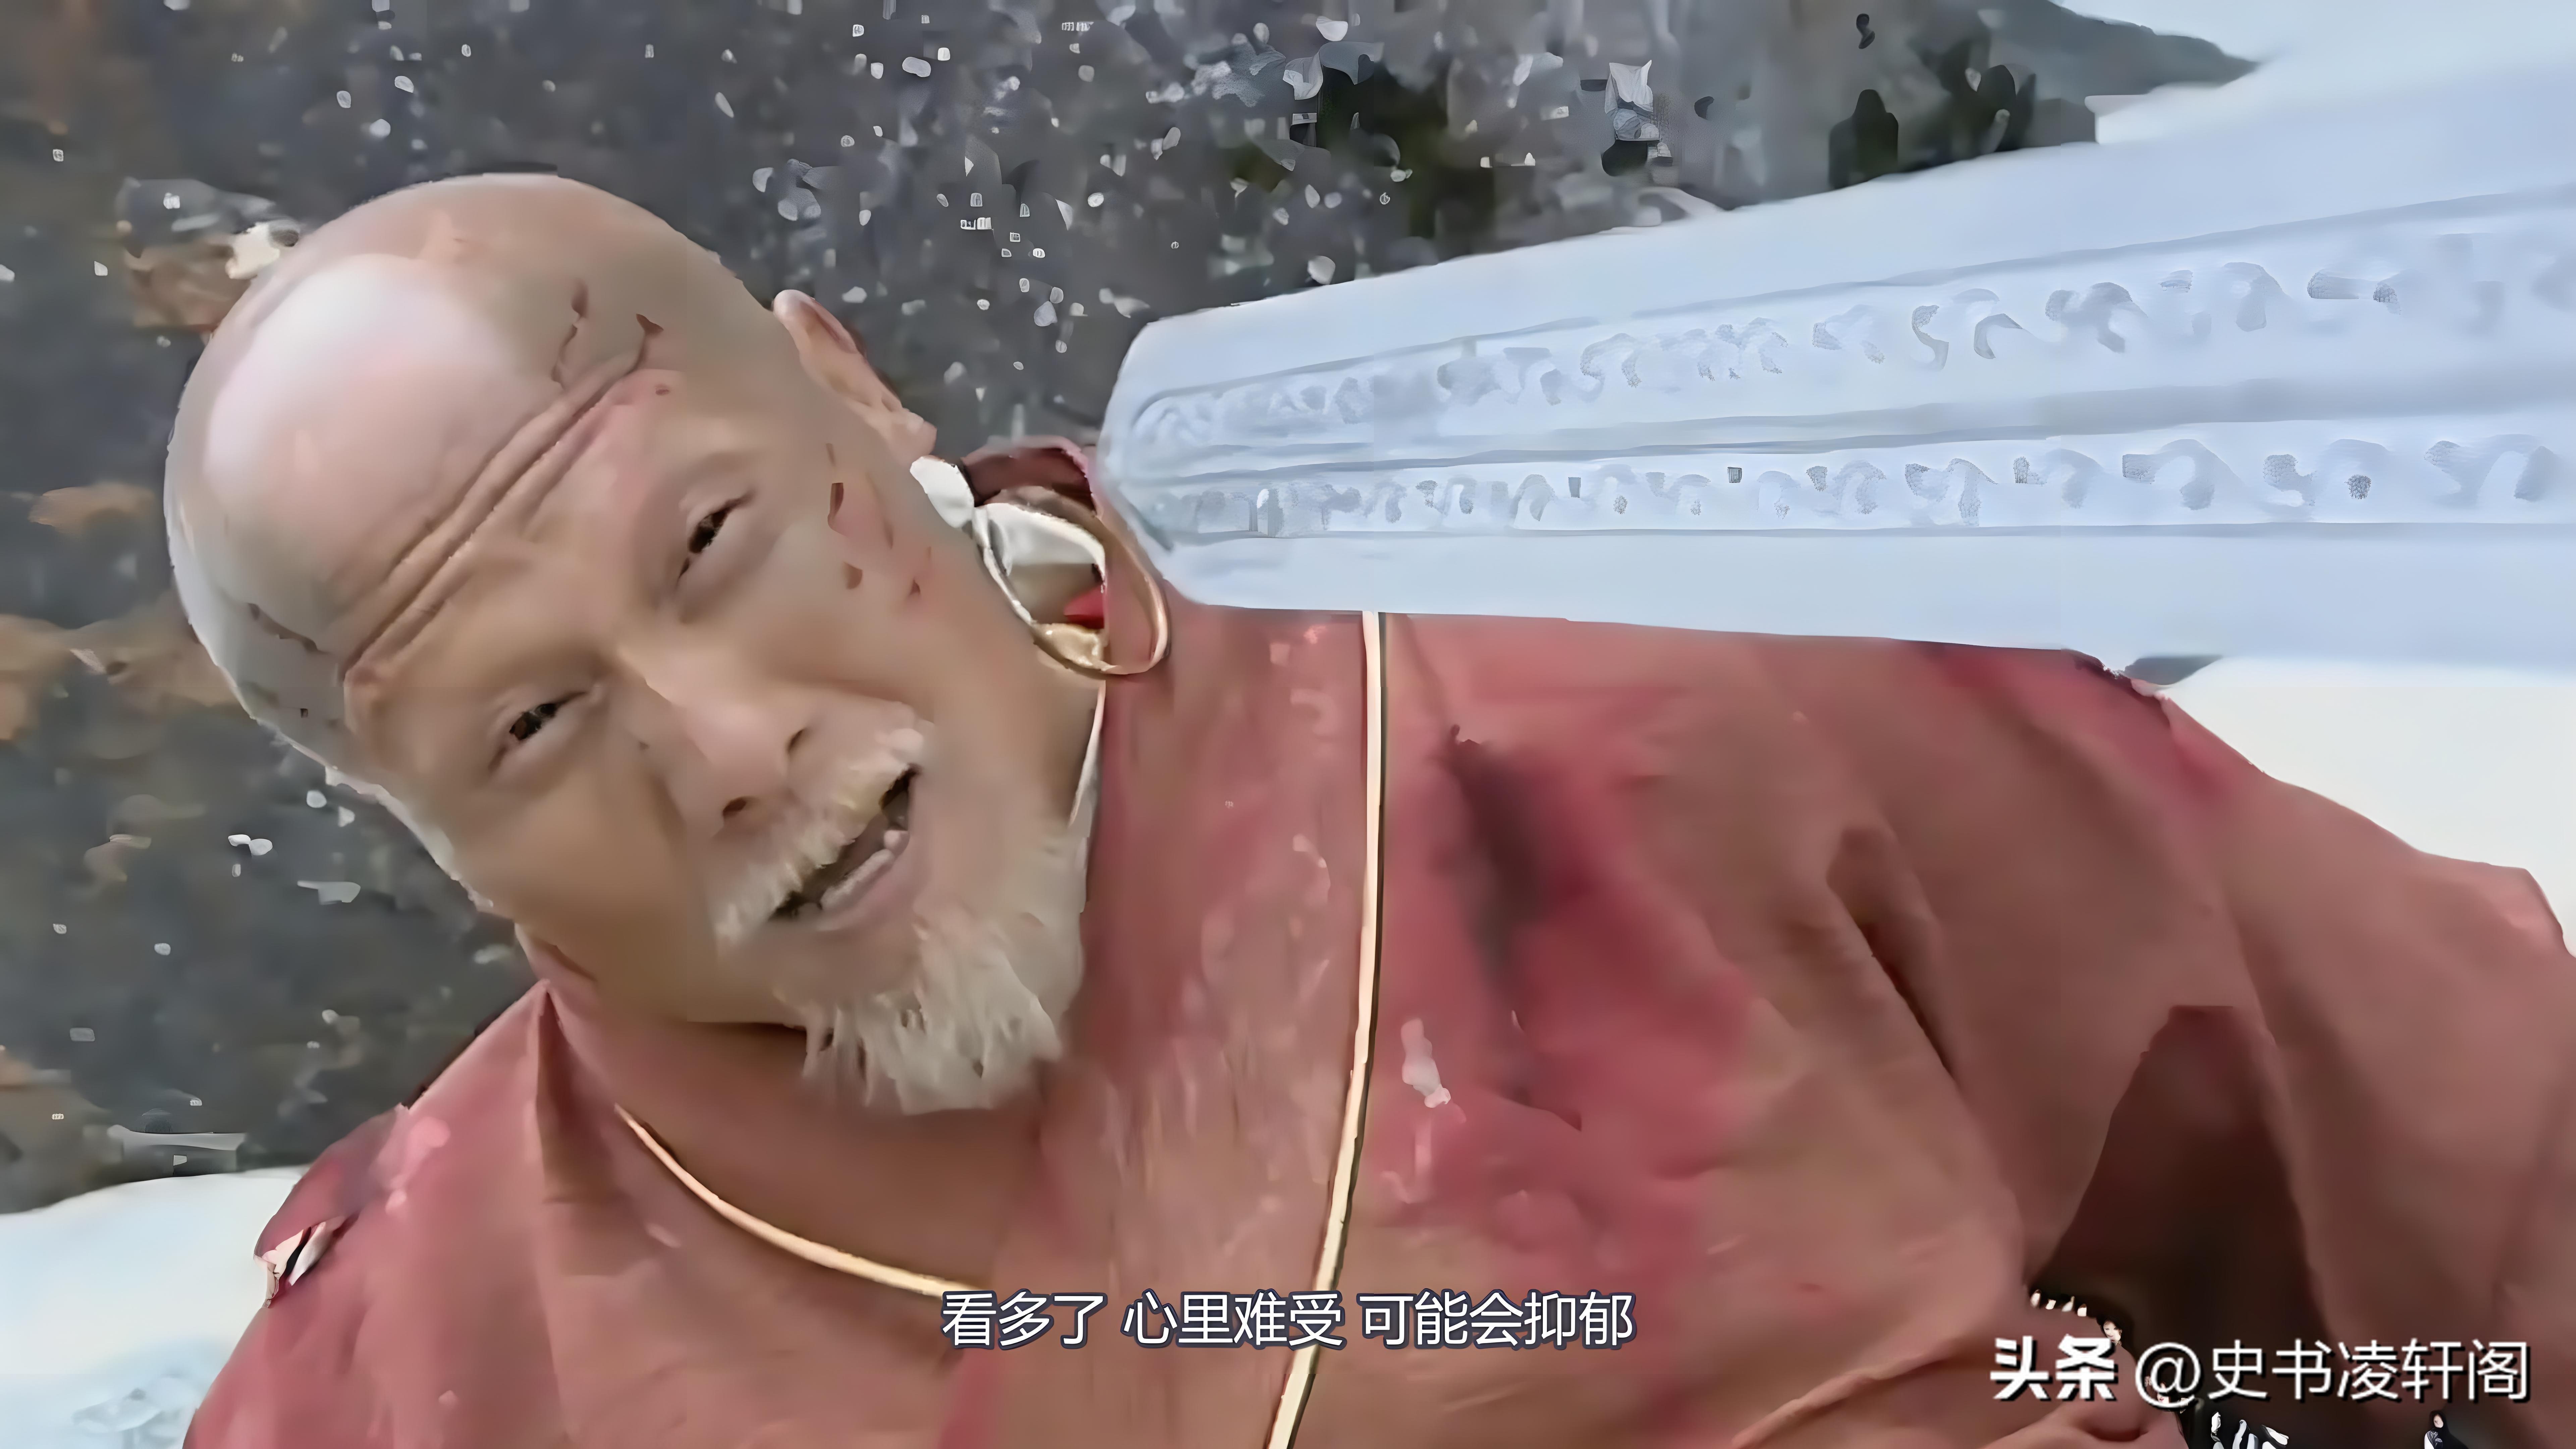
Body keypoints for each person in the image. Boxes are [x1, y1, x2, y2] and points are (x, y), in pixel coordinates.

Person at [163, 173, 2574, 1449]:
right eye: (529, 733)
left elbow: (2480, 1196)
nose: (724, 750)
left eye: (711, 542)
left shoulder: (1642, 693)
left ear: (844, 393)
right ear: (424, 839)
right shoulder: (418, 1359)